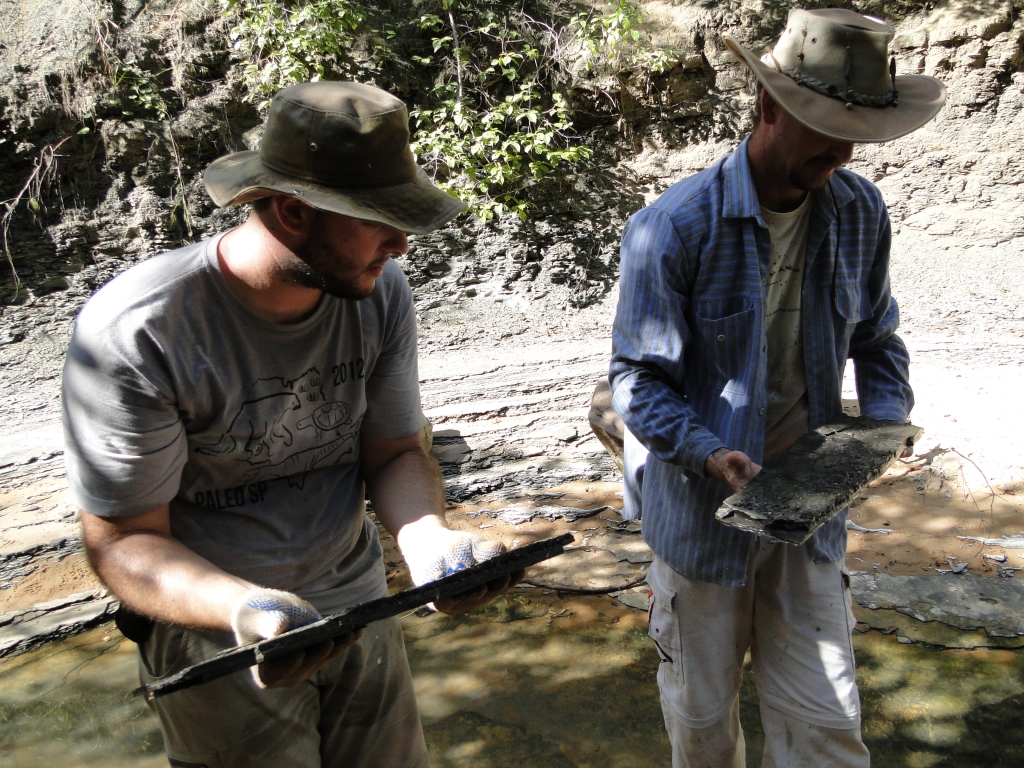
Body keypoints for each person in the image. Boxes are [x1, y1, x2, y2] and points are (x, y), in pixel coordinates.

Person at [62, 81, 518, 768]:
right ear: (291, 211)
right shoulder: (138, 331)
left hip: (360, 598)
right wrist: (248, 611)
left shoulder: (377, 290)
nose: (399, 243)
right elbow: (123, 541)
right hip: (215, 629)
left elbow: (395, 452)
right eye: (376, 218)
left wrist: (428, 544)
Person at [609, 9, 945, 767]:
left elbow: (878, 339)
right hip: (701, 518)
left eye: (855, 129)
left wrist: (881, 431)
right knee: (701, 730)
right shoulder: (672, 228)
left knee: (828, 728)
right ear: (769, 107)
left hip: (807, 516)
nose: (841, 149)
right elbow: (636, 379)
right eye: (824, 124)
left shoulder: (860, 212)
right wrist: (706, 452)